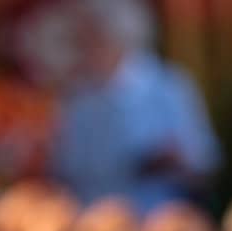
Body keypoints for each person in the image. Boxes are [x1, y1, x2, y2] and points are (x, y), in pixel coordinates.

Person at [50, 0, 221, 216]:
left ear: (118, 38)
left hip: (160, 218)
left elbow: (203, 163)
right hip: (95, 221)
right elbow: (65, 171)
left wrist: (171, 160)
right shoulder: (77, 97)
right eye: (79, 40)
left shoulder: (168, 87)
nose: (82, 49)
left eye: (92, 39)